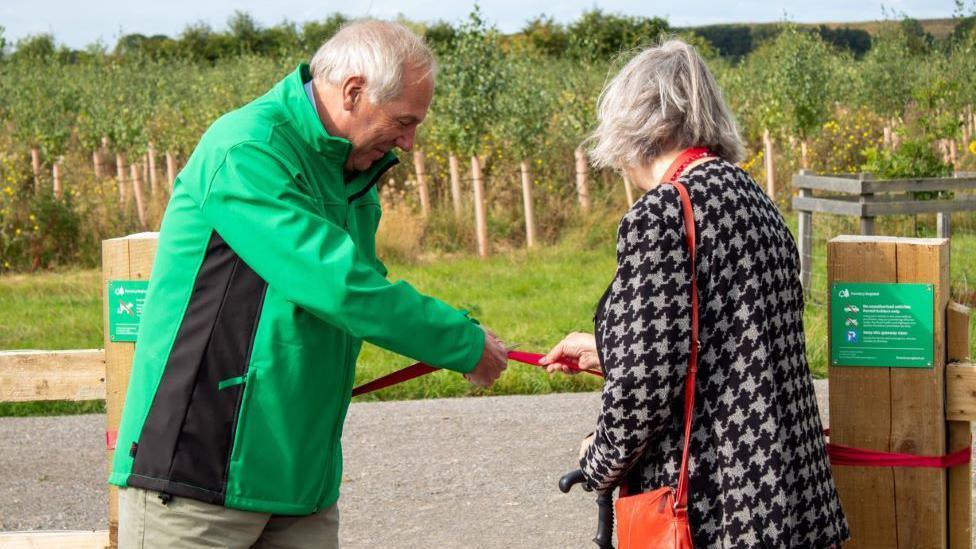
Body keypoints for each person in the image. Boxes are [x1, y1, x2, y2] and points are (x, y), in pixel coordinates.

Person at [110, 20, 508, 548]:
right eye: (403, 121)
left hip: (302, 487)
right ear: (353, 92)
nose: (410, 142)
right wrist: (460, 343)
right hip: (195, 478)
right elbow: (336, 284)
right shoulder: (247, 149)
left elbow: (360, 288)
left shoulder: (351, 168)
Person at [541, 39, 849, 548]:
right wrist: (609, 351)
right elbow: (730, 337)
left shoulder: (661, 214)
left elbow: (643, 390)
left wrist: (598, 460)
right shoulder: (756, 201)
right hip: (793, 502)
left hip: (718, 509)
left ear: (638, 126)